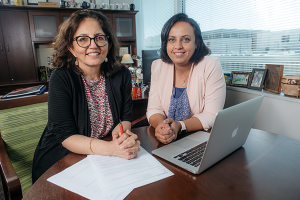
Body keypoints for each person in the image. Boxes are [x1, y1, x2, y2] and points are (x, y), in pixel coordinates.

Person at [32, 10, 140, 183]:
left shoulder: (122, 75)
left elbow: (125, 118)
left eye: (99, 37)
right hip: (62, 160)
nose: (93, 45)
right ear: (71, 48)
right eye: (82, 39)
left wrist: (121, 139)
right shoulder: (61, 78)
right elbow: (65, 136)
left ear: (108, 44)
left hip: (102, 158)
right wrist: (111, 149)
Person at [147, 13, 226, 144]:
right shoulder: (157, 66)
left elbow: (212, 115)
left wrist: (179, 126)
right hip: (166, 140)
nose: (178, 46)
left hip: (199, 141)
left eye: (186, 39)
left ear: (196, 43)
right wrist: (163, 127)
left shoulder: (211, 65)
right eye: (172, 39)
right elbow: (154, 109)